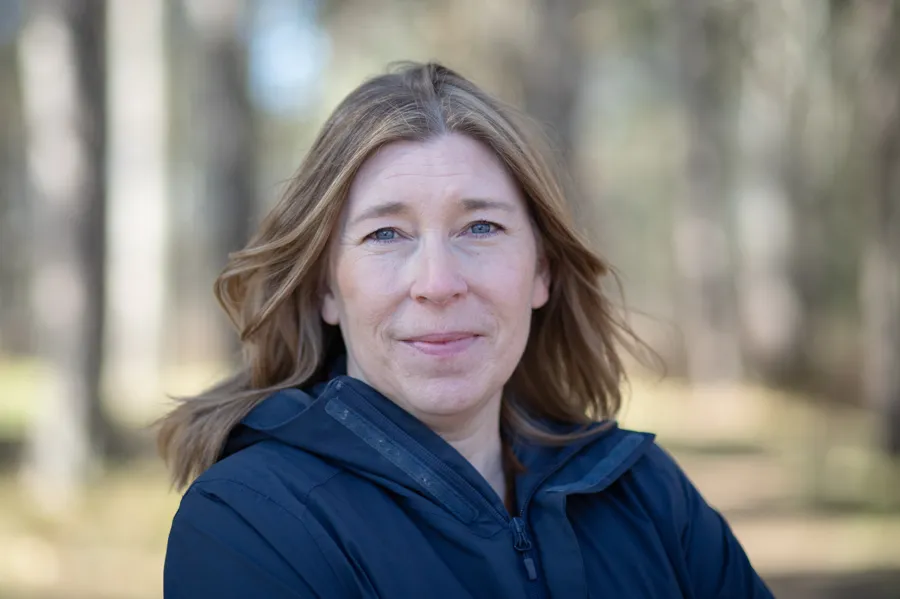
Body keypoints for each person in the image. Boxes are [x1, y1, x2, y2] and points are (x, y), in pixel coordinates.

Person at [159, 61, 774, 598]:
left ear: (541, 272)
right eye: (386, 234)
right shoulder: (250, 521)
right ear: (326, 288)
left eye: (480, 228)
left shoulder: (645, 493)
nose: (437, 282)